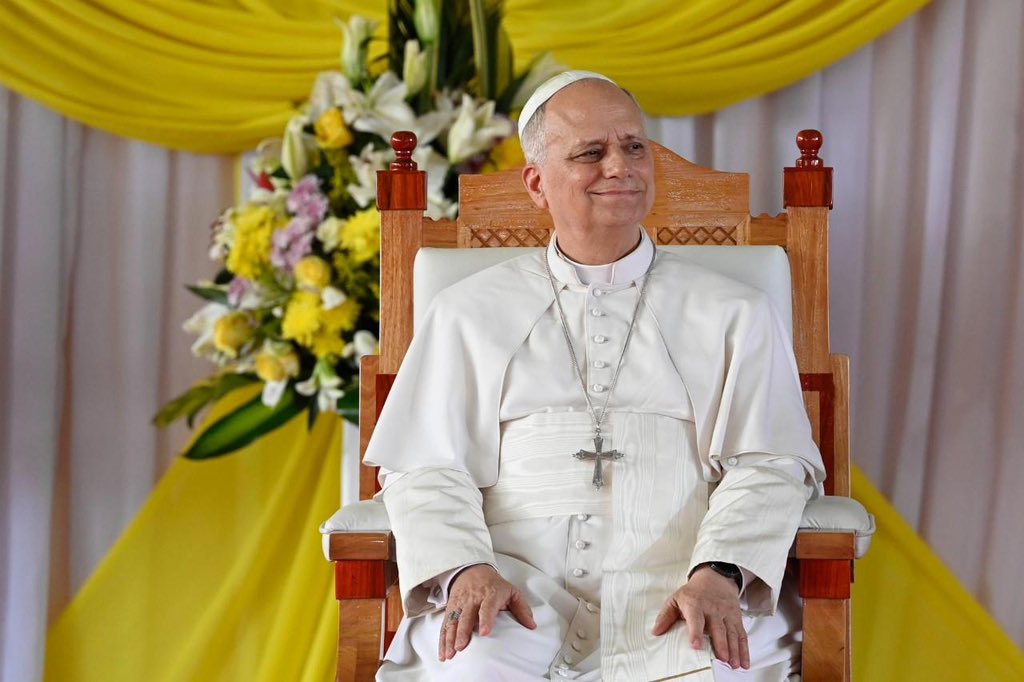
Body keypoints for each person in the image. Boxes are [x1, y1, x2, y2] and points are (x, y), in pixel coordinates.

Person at [365, 71, 825, 681]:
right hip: (515, 594)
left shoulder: (735, 312)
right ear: (537, 183)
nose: (621, 166)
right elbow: (423, 466)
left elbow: (770, 461)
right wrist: (466, 570)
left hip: (685, 587)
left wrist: (723, 572)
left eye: (634, 146)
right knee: (471, 667)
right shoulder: (467, 312)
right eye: (591, 152)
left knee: (716, 665)